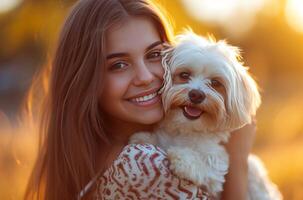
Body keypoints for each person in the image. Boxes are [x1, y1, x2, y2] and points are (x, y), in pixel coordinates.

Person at [24, 0, 256, 199]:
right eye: (119, 65)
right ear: (85, 79)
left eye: (154, 55)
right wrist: (238, 160)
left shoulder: (88, 155)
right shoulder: (146, 166)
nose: (145, 77)